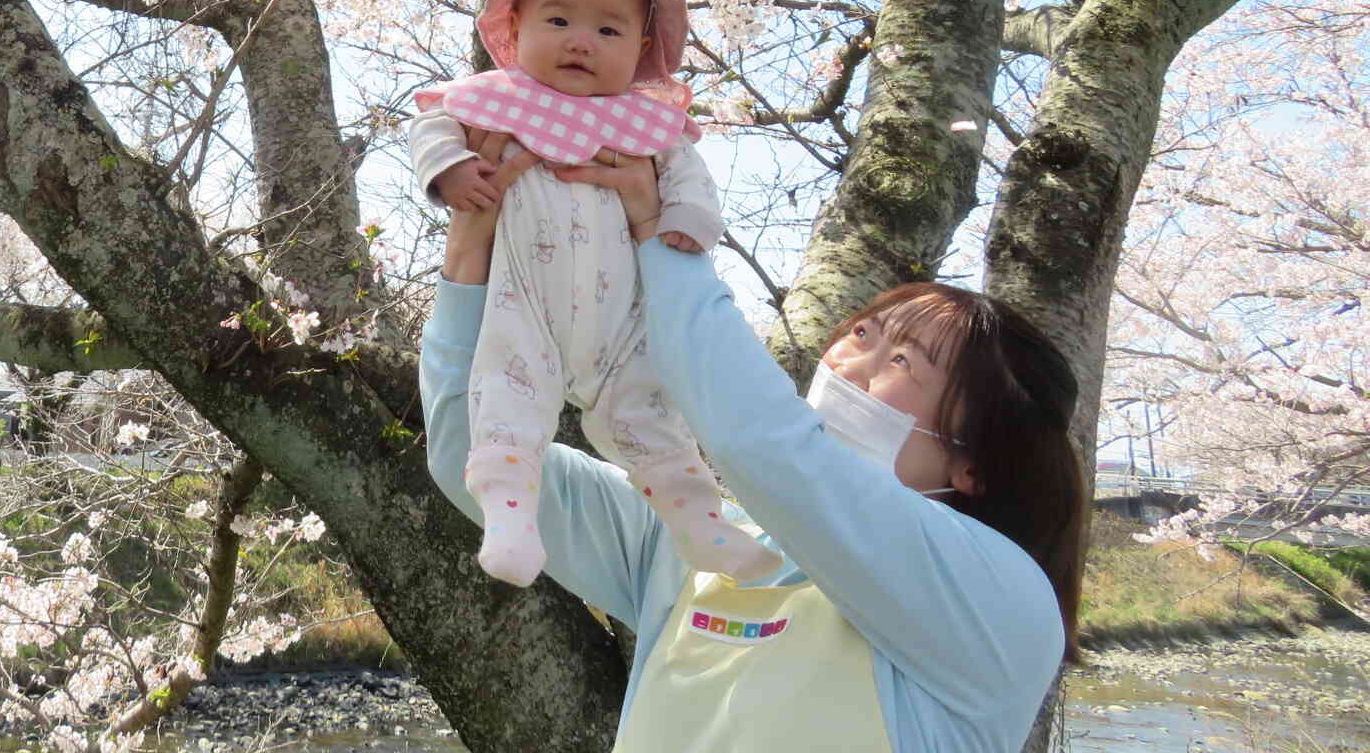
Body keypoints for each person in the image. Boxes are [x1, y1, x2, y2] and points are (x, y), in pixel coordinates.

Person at [420, 144, 1089, 753]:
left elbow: (756, 441)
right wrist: (471, 253)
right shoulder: (699, 538)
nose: (850, 365)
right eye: (861, 333)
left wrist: (664, 231)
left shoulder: (999, 599)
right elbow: (469, 453)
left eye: (904, 362)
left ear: (971, 465)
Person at [410, 0, 778, 585]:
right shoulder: (496, 106)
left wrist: (689, 219)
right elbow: (433, 123)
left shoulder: (645, 127)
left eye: (608, 31)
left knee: (652, 420)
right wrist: (450, 170)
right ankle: (511, 520)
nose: (582, 40)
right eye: (559, 20)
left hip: (621, 325)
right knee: (504, 401)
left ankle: (703, 529)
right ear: (517, 28)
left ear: (640, 49)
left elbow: (689, 176)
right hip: (526, 305)